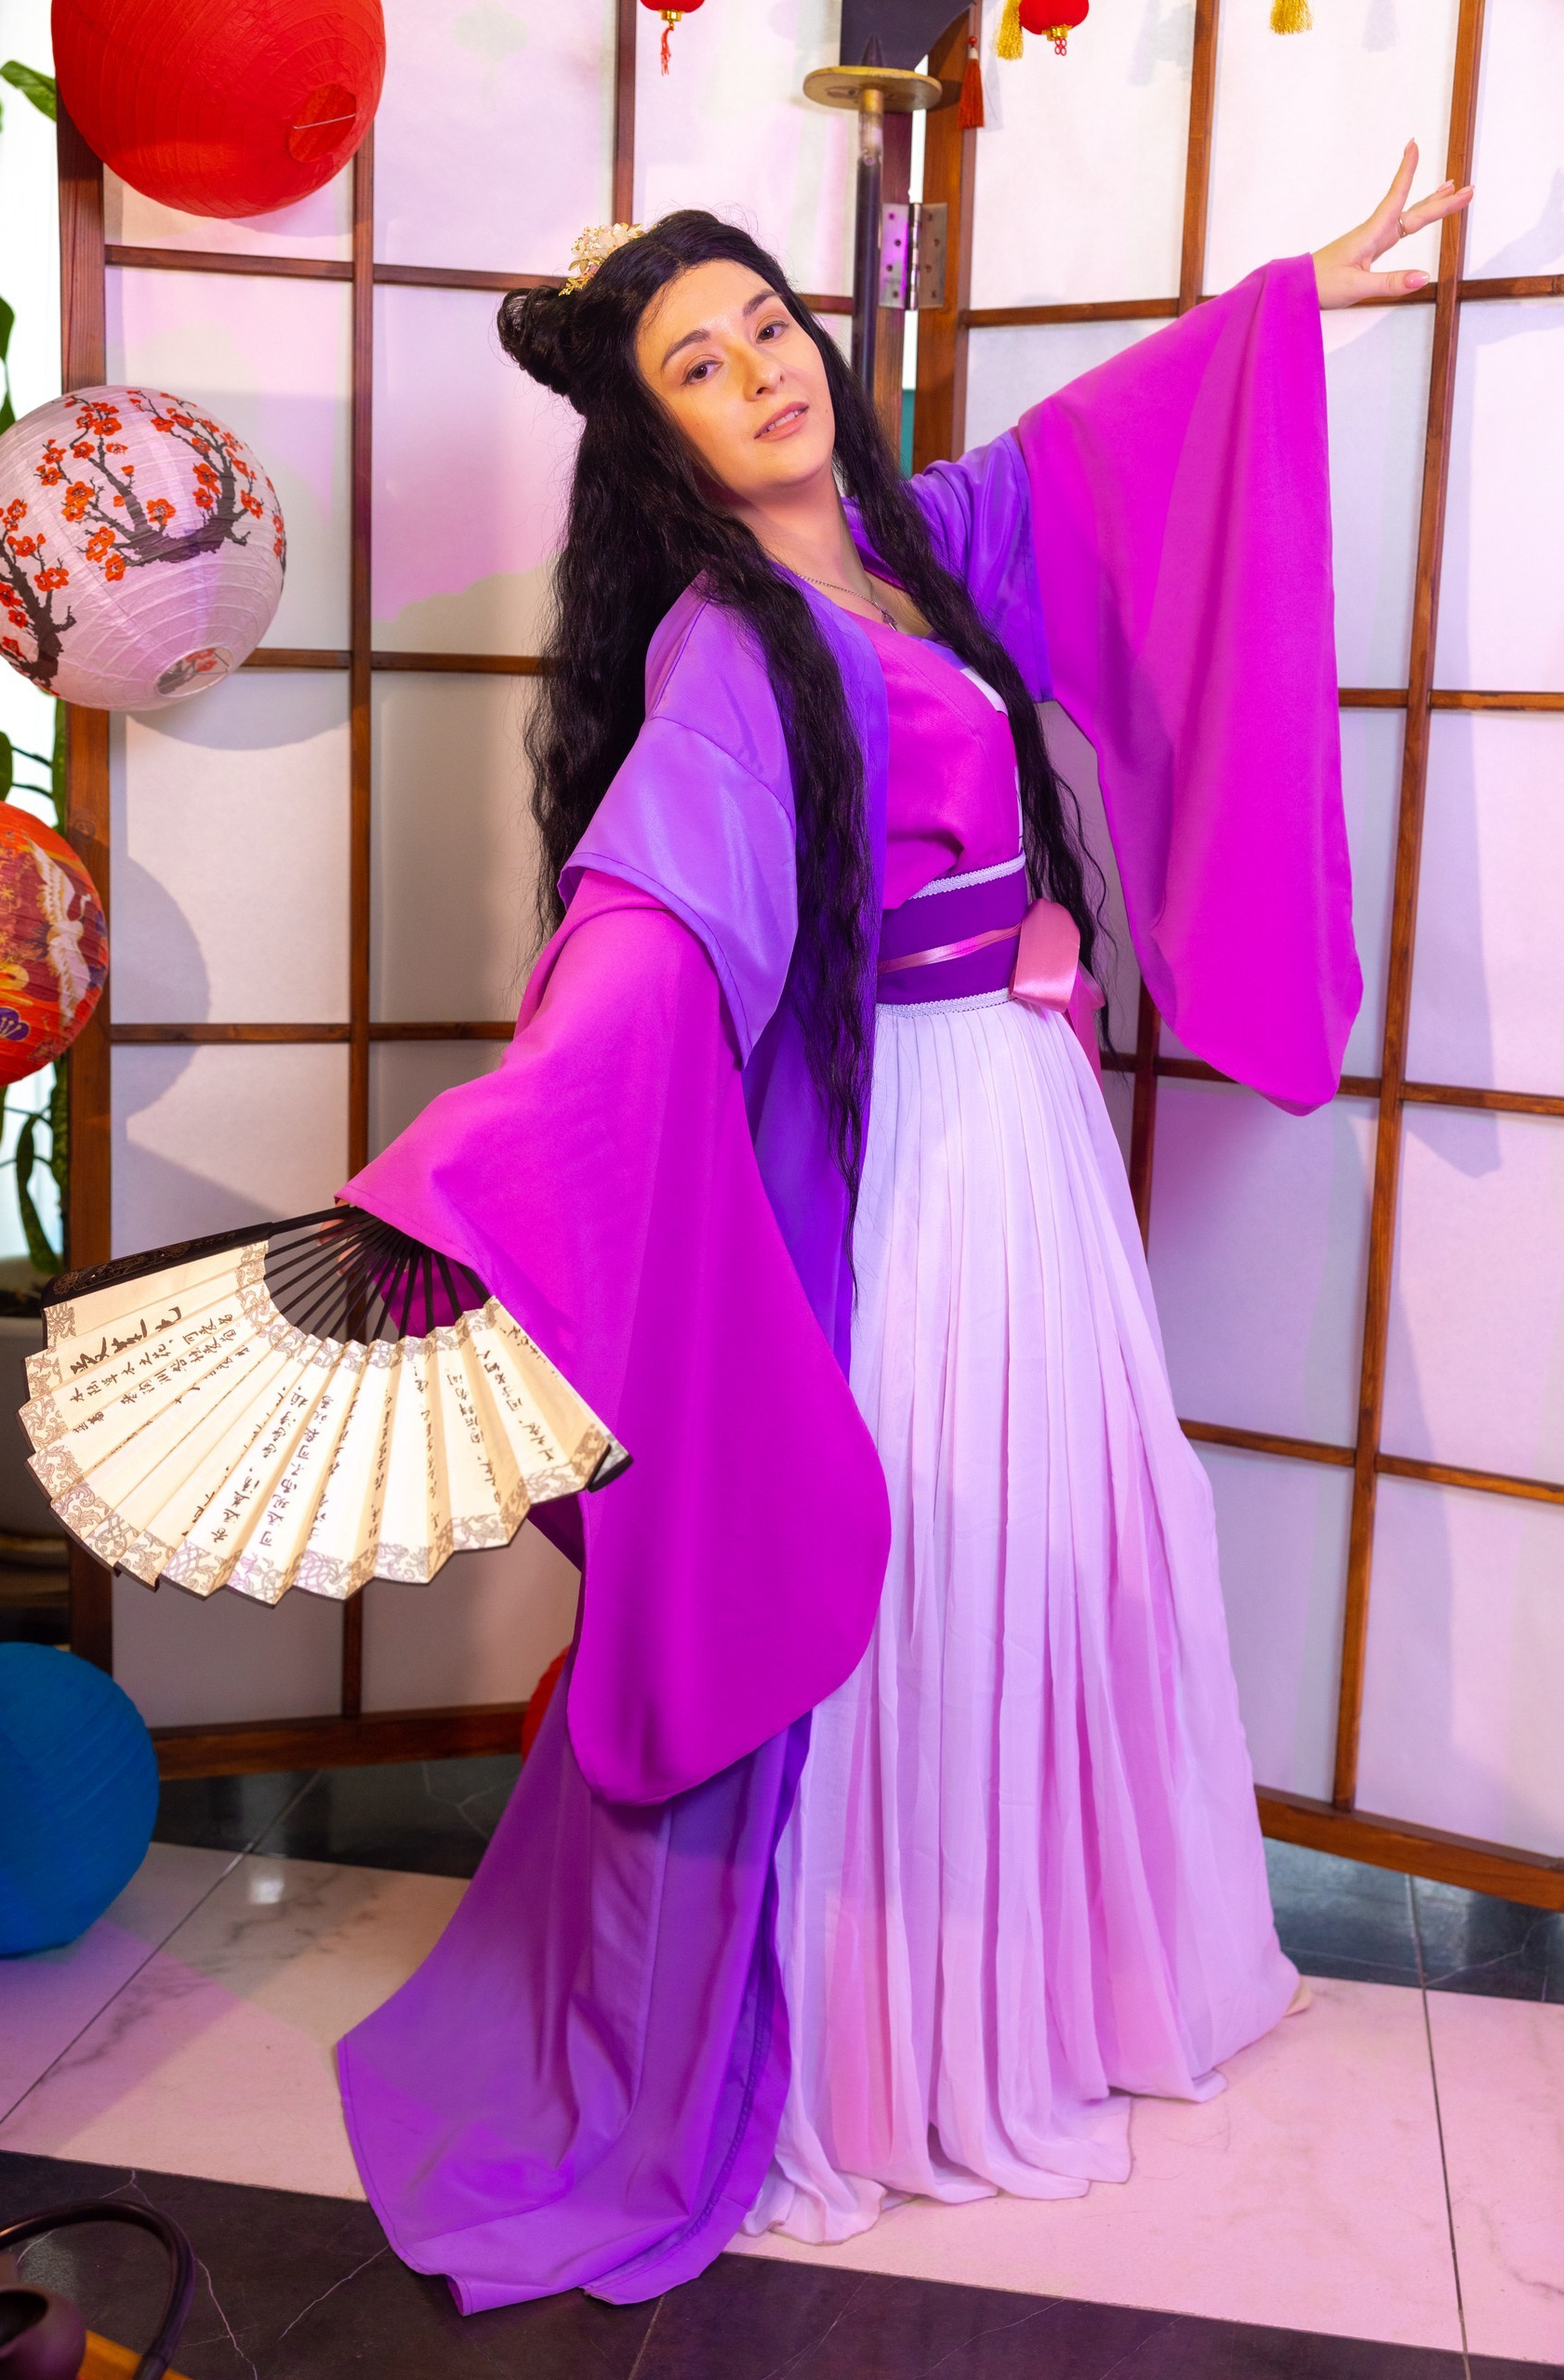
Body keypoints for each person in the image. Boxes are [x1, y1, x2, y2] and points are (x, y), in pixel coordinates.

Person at [335, 144, 1472, 2307]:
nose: (761, 369)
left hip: (1020, 1124)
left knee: (1053, 1530)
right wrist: (498, 1141)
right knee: (929, 1551)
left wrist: (1283, 307)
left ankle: (1047, 1987)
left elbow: (1094, 459)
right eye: (698, 363)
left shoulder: (912, 545)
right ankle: (881, 2043)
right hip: (912, 1145)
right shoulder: (727, 644)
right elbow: (649, 924)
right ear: (652, 438)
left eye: (767, 324)